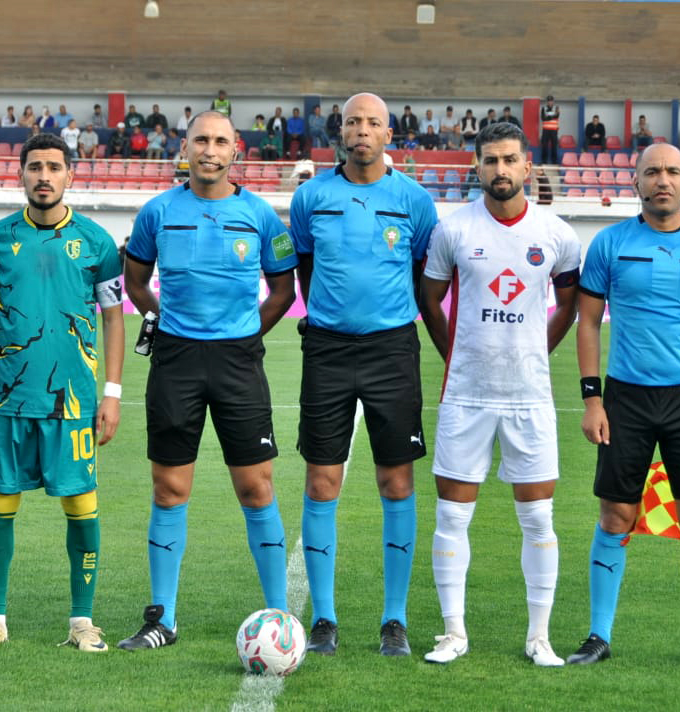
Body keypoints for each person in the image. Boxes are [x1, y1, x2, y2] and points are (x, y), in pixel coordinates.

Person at [566, 142, 680, 673]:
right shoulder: (609, 243)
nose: (662, 180)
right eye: (652, 172)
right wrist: (592, 397)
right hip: (625, 398)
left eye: (672, 171)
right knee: (616, 515)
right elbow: (587, 322)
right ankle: (599, 636)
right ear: (636, 182)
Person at [118, 110, 298, 650]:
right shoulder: (157, 212)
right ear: (185, 147)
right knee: (169, 488)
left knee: (256, 486)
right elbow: (135, 280)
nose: (210, 150)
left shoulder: (261, 215)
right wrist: (161, 320)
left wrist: (245, 335)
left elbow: (284, 290)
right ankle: (163, 619)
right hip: (176, 360)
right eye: (201, 140)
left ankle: (280, 617)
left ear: (235, 150)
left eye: (221, 141)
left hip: (238, 362)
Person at [418, 121, 580, 667]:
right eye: (491, 160)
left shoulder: (556, 234)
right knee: (451, 517)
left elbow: (569, 304)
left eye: (510, 159)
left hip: (529, 397)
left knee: (538, 520)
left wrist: (538, 350)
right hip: (466, 395)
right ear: (477, 166)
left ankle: (539, 638)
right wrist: (454, 355)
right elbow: (430, 299)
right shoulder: (453, 229)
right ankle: (453, 634)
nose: (501, 169)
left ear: (528, 166)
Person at [0, 132, 125, 652]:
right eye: (35, 167)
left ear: (70, 175)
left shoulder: (97, 242)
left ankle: (82, 622)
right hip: (7, 398)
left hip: (73, 401)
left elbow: (115, 318)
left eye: (54, 167)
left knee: (81, 504)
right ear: (21, 175)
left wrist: (112, 393)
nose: (44, 176)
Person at [289, 92, 438, 657]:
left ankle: (394, 620)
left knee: (396, 482)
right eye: (353, 121)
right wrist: (328, 316)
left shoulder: (415, 200)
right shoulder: (311, 197)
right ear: (341, 131)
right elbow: (305, 265)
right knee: (321, 481)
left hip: (392, 351)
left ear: (388, 135)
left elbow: (423, 273)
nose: (362, 131)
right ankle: (324, 619)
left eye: (373, 123)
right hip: (327, 350)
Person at [539, 95, 560, 164]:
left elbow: (557, 116)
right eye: (549, 101)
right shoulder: (544, 108)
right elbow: (543, 118)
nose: (550, 102)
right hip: (545, 130)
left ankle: (554, 161)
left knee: (554, 146)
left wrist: (548, 116)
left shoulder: (556, 108)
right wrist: (552, 116)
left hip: (554, 130)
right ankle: (544, 161)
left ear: (553, 101)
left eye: (551, 101)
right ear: (547, 102)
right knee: (544, 146)